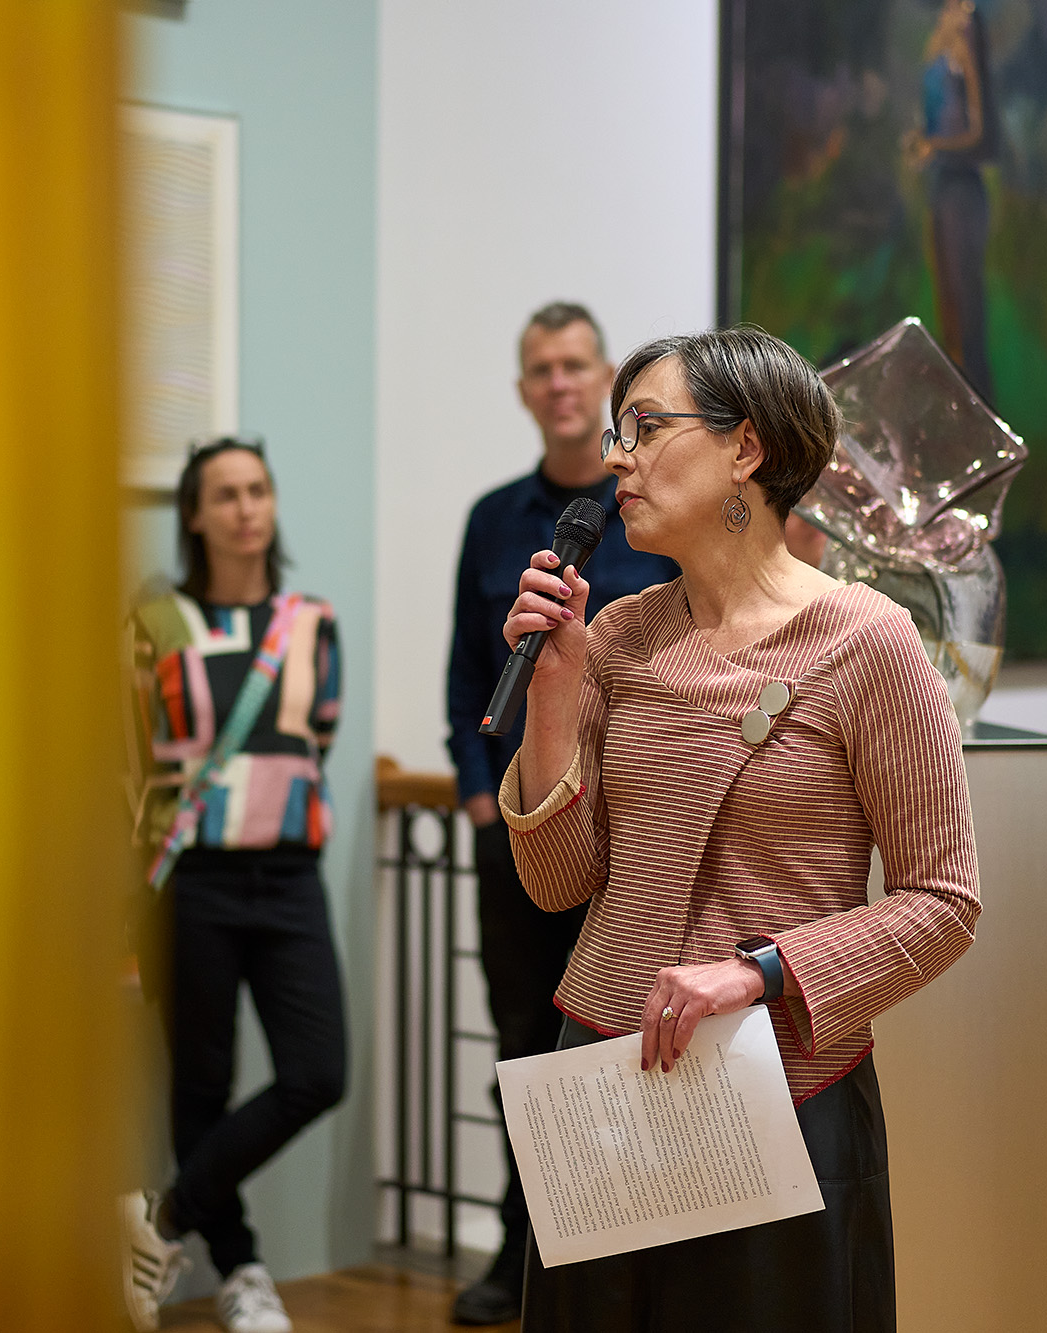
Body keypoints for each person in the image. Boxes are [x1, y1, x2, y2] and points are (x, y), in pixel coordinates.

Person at [497, 327, 980, 1331]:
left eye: (644, 426)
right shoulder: (619, 636)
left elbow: (943, 901)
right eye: (613, 433)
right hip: (603, 1076)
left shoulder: (866, 641)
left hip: (780, 1090)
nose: (614, 458)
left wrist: (756, 971)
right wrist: (554, 690)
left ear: (745, 449)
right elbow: (556, 882)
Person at [445, 302, 678, 1325]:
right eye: (540, 368)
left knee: (610, 1039)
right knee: (520, 1040)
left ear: (604, 382)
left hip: (627, 835)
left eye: (575, 364)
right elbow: (467, 669)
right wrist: (472, 787)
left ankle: (613, 1244)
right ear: (523, 390)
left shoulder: (648, 516)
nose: (559, 384)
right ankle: (524, 1241)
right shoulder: (495, 517)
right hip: (519, 822)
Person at [119, 438, 346, 1333]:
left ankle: (162, 1214)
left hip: (290, 875)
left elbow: (312, 741)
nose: (247, 508)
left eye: (258, 490)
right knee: (200, 1087)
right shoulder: (155, 623)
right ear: (195, 514)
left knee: (317, 1073)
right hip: (189, 881)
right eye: (226, 494)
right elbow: (128, 767)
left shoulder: (311, 620)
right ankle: (243, 1268)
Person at [905, 0, 999, 404]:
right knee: (947, 322)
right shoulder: (938, 33)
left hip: (963, 191)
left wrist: (934, 146)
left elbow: (983, 135)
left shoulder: (967, 27)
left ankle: (985, 430)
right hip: (940, 189)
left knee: (967, 319)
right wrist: (922, 142)